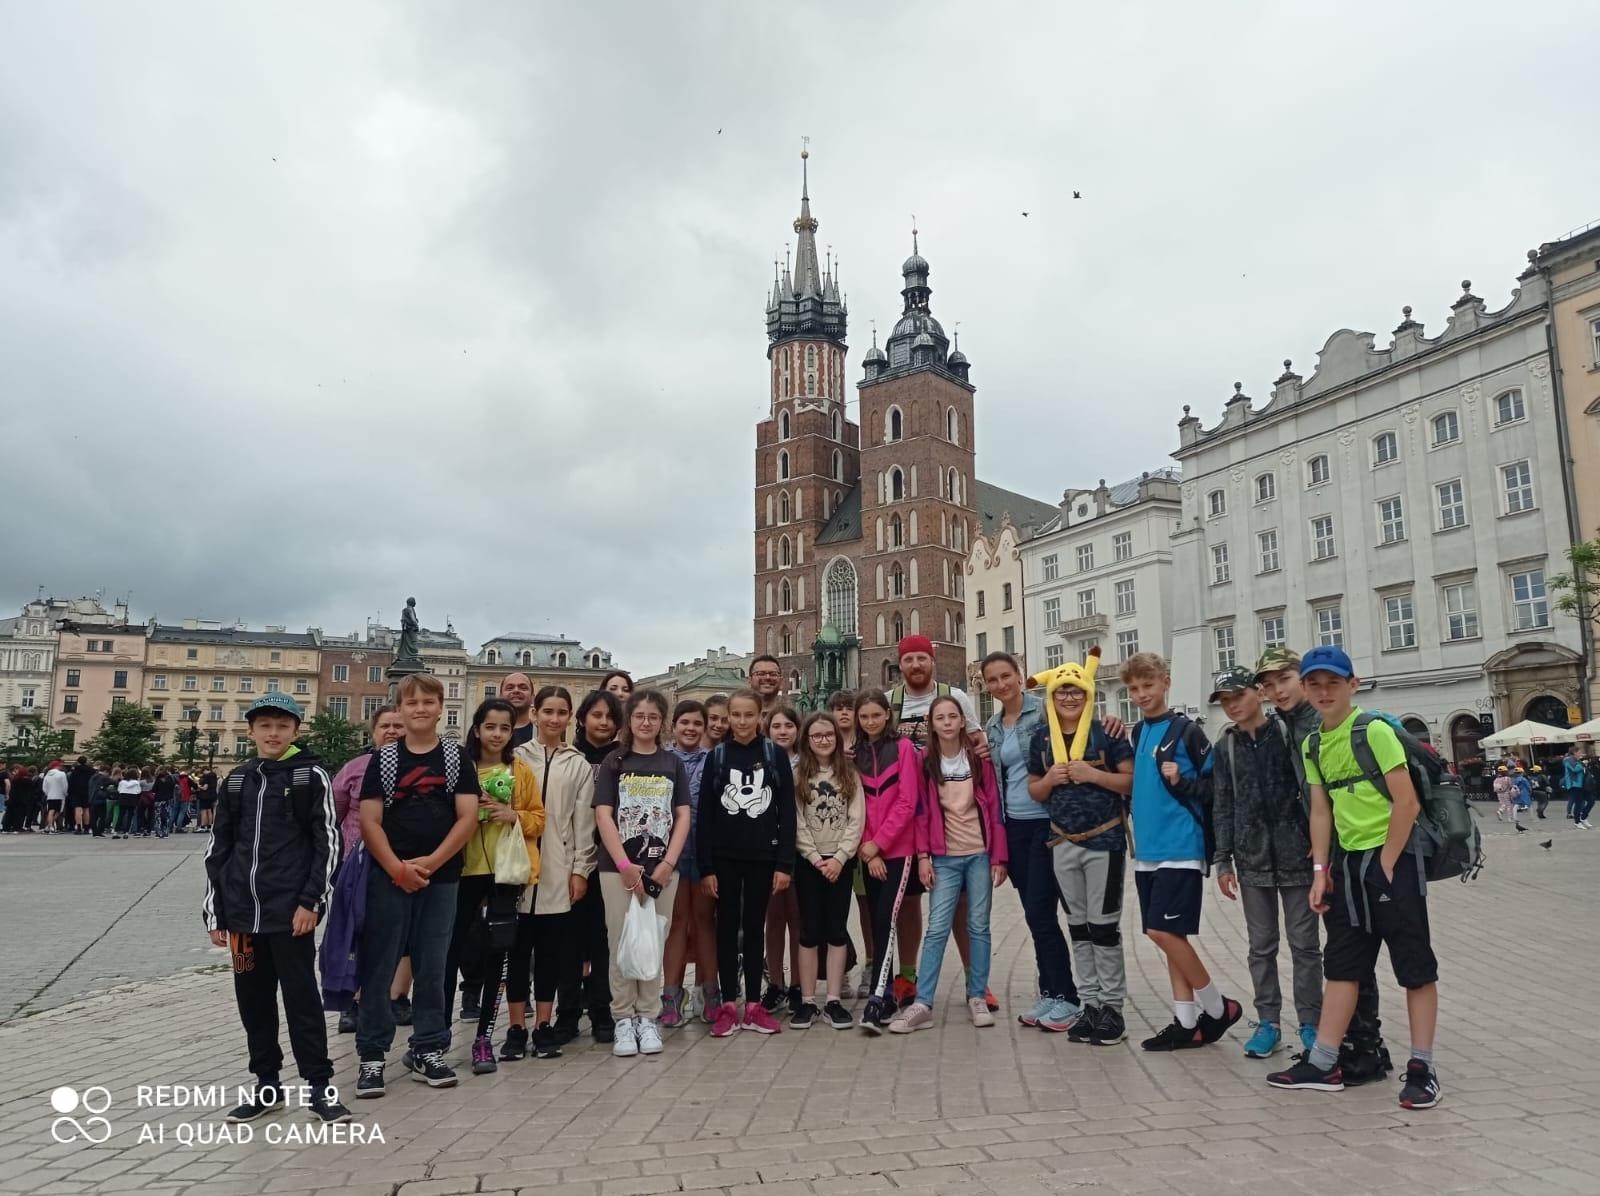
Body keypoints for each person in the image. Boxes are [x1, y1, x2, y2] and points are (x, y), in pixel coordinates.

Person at [1266, 646, 1441, 1110]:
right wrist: (1320, 871)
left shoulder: (1374, 730)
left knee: (1414, 967)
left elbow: (1406, 802)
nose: (1324, 692)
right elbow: (1320, 809)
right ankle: (1324, 1062)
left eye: (1333, 683)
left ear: (1352, 685)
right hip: (1345, 866)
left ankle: (1422, 1067)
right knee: (1343, 965)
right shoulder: (1313, 744)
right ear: (1306, 688)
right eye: (1315, 684)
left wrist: (1387, 861)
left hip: (1392, 861)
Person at [201, 693, 346, 1124]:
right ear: (250, 731)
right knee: (253, 1002)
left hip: (290, 915)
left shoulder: (310, 776)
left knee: (302, 999)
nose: (273, 734)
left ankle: (319, 1086)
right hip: (243, 916)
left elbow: (328, 844)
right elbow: (219, 848)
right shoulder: (237, 780)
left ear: (296, 731)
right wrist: (215, 912)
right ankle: (266, 1085)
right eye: (264, 726)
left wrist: (311, 903)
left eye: (282, 726)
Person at [1256, 647, 1391, 1086]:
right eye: (1269, 684)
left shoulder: (1320, 722)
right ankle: (1362, 1043)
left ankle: (1361, 1046)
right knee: (1349, 949)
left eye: (1285, 679)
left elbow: (1330, 801)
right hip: (1330, 854)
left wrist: (1327, 861)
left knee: (1350, 951)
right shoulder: (1293, 723)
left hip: (1352, 851)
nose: (1278, 690)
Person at [354, 672, 481, 1098]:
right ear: (400, 710)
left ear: (440, 707)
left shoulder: (456, 757)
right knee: (380, 966)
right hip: (389, 877)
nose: (421, 709)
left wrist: (430, 862)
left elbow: (467, 817)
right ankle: (372, 1055)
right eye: (412, 703)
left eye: (429, 701)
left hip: (441, 877)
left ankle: (428, 1047)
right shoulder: (385, 759)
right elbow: (369, 821)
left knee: (433, 965)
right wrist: (396, 868)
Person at [1122, 651, 1243, 1051]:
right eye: (1135, 688)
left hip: (1181, 846)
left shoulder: (1188, 732)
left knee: (1160, 930)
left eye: (1148, 685)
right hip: (1148, 851)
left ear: (1166, 682)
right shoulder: (1137, 733)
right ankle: (1186, 1022)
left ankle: (1217, 1006)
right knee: (1170, 934)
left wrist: (1182, 783)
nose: (1142, 694)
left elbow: (1216, 789)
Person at [1209, 666, 1322, 1058]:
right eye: (1225, 702)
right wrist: (1222, 861)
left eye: (1238, 696)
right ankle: (1269, 1022)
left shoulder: (1288, 734)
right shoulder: (1225, 746)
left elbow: (1312, 790)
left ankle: (1311, 1021)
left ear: (1258, 694)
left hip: (1297, 854)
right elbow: (1222, 804)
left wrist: (1316, 839)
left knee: (1305, 944)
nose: (1233, 706)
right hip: (1252, 858)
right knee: (1261, 947)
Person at [1025, 658, 1135, 1042]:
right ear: (1051, 698)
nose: (1069, 697)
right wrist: (1051, 780)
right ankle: (1089, 1005)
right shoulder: (1041, 737)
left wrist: (1094, 775)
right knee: (1078, 928)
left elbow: (1130, 782)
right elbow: (1034, 789)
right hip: (1061, 842)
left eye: (1075, 690)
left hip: (1104, 840)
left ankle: (1113, 1009)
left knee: (1104, 927)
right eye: (1061, 692)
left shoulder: (1107, 732)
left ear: (1087, 694)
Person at [888, 635, 994, 1011]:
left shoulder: (956, 696)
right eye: (909, 660)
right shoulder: (891, 702)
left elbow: (979, 742)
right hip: (907, 815)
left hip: (948, 817)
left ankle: (973, 978)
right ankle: (908, 976)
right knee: (909, 902)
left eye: (922, 658)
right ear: (900, 665)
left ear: (932, 661)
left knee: (963, 905)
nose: (916, 665)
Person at [891, 695, 1008, 1033]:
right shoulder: (925, 759)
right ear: (932, 723)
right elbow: (922, 813)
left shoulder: (978, 758)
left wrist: (999, 857)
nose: (946, 722)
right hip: (943, 857)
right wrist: (924, 857)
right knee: (938, 928)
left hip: (978, 854)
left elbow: (995, 809)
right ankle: (923, 1003)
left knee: (979, 927)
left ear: (961, 720)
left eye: (952, 716)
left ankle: (976, 996)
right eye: (939, 717)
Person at [447, 699, 544, 1076]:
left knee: (497, 956)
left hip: (504, 872)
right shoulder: (459, 768)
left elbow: (539, 818)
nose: (497, 734)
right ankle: (436, 1036)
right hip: (462, 870)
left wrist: (513, 815)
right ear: (477, 729)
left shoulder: (520, 771)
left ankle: (484, 1038)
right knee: (453, 952)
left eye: (504, 728)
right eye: (490, 727)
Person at [594, 689, 693, 1059]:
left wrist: (668, 864)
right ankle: (623, 1017)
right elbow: (604, 814)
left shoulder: (672, 763)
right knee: (621, 941)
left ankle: (648, 1016)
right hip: (617, 868)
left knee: (654, 938)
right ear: (629, 721)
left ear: (662, 722)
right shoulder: (614, 761)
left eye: (653, 717)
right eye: (639, 716)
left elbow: (682, 814)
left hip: (662, 869)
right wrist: (623, 865)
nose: (646, 723)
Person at [983, 652, 1080, 1029]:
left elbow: (1080, 727)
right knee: (1033, 914)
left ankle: (1067, 997)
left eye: (1006, 676)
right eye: (992, 680)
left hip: (1048, 824)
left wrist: (1111, 724)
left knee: (1042, 912)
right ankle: (1050, 993)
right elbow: (997, 780)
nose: (1001, 685)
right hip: (1015, 827)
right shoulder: (993, 726)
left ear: (1020, 676)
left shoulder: (1044, 711)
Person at [698, 689, 796, 1037]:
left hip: (762, 857)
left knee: (755, 929)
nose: (741, 722)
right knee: (726, 929)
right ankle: (728, 1005)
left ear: (759, 717)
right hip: (724, 858)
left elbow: (787, 811)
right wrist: (706, 867)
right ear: (728, 717)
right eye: (735, 715)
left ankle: (753, 1004)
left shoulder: (774, 755)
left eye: (748, 715)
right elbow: (706, 816)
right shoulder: (718, 757)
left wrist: (784, 864)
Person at [505, 686, 596, 1062]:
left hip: (558, 866)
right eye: (548, 711)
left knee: (549, 952)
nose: (554, 719)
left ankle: (543, 1024)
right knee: (516, 948)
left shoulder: (577, 763)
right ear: (534, 712)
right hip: (516, 866)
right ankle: (514, 1026)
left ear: (569, 717)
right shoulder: (515, 757)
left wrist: (581, 870)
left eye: (561, 712)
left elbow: (583, 821)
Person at [330, 705, 409, 1034]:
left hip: (407, 862)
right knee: (358, 933)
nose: (392, 731)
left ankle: (398, 996)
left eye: (398, 726)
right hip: (359, 863)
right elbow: (334, 813)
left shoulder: (419, 766)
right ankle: (354, 1000)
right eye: (385, 726)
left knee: (405, 937)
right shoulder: (355, 768)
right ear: (374, 732)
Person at [552, 689, 623, 1045]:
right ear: (582, 719)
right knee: (569, 940)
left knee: (602, 941)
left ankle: (601, 1010)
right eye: (596, 715)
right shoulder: (568, 756)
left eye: (610, 717)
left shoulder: (623, 758)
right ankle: (567, 1014)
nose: (604, 722)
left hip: (610, 861)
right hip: (568, 858)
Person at [853, 689, 921, 1033]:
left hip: (897, 851)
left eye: (875, 716)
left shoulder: (905, 749)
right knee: (878, 922)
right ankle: (887, 994)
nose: (870, 722)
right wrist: (867, 845)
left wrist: (879, 844)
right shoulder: (856, 754)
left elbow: (908, 802)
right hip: (869, 852)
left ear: (887, 715)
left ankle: (879, 998)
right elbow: (857, 805)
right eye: (863, 717)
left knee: (886, 919)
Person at [791, 711, 863, 1030]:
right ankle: (808, 1000)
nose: (823, 741)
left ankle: (833, 999)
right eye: (817, 736)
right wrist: (814, 856)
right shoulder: (799, 775)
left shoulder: (848, 773)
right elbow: (796, 820)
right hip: (809, 863)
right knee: (809, 931)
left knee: (836, 928)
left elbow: (856, 818)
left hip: (840, 862)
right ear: (807, 740)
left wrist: (840, 857)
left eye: (828, 735)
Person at [661, 700, 715, 1028]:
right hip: (673, 855)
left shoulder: (714, 760)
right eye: (685, 723)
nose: (691, 729)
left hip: (706, 852)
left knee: (706, 922)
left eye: (697, 723)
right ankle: (670, 994)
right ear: (674, 726)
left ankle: (711, 992)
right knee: (677, 923)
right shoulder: (663, 760)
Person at [761, 705, 805, 1013]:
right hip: (769, 849)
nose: (783, 731)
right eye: (776, 726)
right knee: (774, 919)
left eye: (788, 725)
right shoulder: (761, 761)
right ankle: (775, 982)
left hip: (804, 848)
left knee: (799, 919)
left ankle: (799, 985)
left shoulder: (809, 762)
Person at [501, 672, 536, 748]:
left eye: (523, 688)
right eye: (510, 688)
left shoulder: (541, 734)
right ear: (500, 696)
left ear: (532, 697)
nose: (516, 691)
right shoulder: (487, 732)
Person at [748, 656, 785, 721]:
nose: (767, 677)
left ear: (781, 681)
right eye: (761, 674)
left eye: (773, 674)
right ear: (750, 680)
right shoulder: (737, 716)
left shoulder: (790, 718)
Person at [1563, 748, 1589, 826]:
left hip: (1579, 784)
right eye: (1579, 752)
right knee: (1575, 800)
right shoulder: (1568, 760)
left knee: (1581, 801)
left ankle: (1580, 817)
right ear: (1574, 752)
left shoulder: (1576, 761)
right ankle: (1576, 819)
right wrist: (1582, 764)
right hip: (1573, 784)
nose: (1581, 754)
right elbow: (1575, 769)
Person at [114, 767, 142, 839]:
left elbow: (119, 790)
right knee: (130, 816)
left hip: (123, 798)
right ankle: (126, 832)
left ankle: (115, 832)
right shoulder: (136, 783)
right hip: (132, 799)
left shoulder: (122, 782)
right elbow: (139, 791)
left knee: (121, 815)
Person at [68, 757, 93, 835]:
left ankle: (79, 827)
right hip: (87, 791)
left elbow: (71, 782)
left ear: (78, 762)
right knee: (86, 809)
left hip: (76, 792)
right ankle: (86, 827)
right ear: (86, 762)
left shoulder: (75, 771)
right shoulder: (91, 771)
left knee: (78, 809)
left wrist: (70, 792)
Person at [41, 761, 67, 834]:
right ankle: (51, 826)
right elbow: (65, 785)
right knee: (59, 811)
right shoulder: (62, 774)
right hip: (60, 795)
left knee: (51, 811)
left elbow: (44, 788)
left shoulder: (47, 775)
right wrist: (65, 793)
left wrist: (48, 793)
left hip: (50, 796)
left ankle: (49, 826)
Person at [197, 767, 219, 831]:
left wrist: (198, 786)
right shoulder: (214, 776)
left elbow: (205, 788)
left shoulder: (207, 776)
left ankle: (203, 826)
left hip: (205, 796)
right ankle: (210, 826)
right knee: (210, 811)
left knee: (204, 811)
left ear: (205, 770)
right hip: (213, 795)